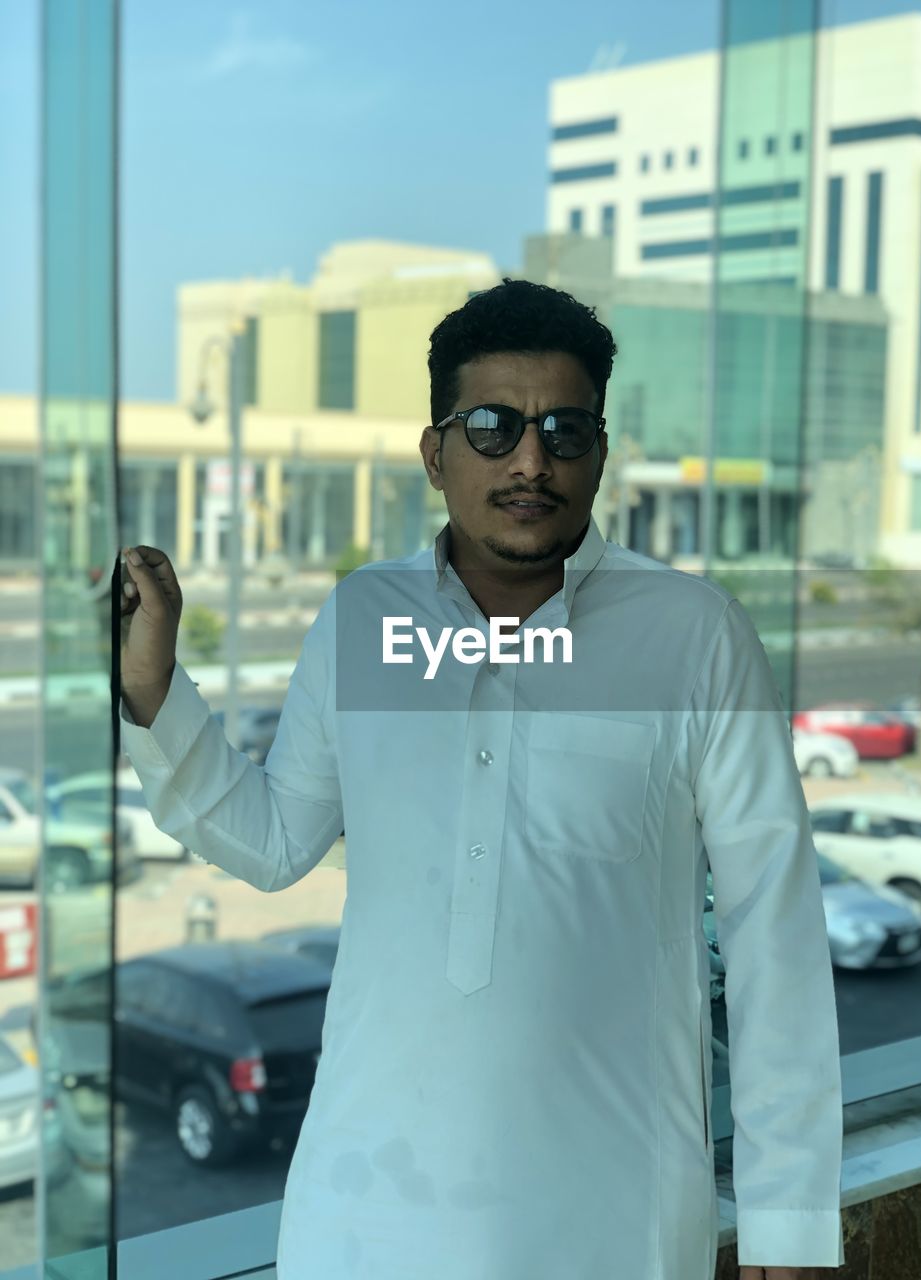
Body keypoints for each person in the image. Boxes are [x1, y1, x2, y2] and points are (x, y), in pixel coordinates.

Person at [117, 279, 844, 1280]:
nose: (531, 460)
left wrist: (789, 1211)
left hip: (612, 1218)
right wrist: (156, 691)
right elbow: (278, 840)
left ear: (599, 448)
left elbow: (777, 931)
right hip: (359, 1217)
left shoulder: (694, 634)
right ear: (436, 452)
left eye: (566, 429)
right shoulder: (361, 618)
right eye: (494, 426)